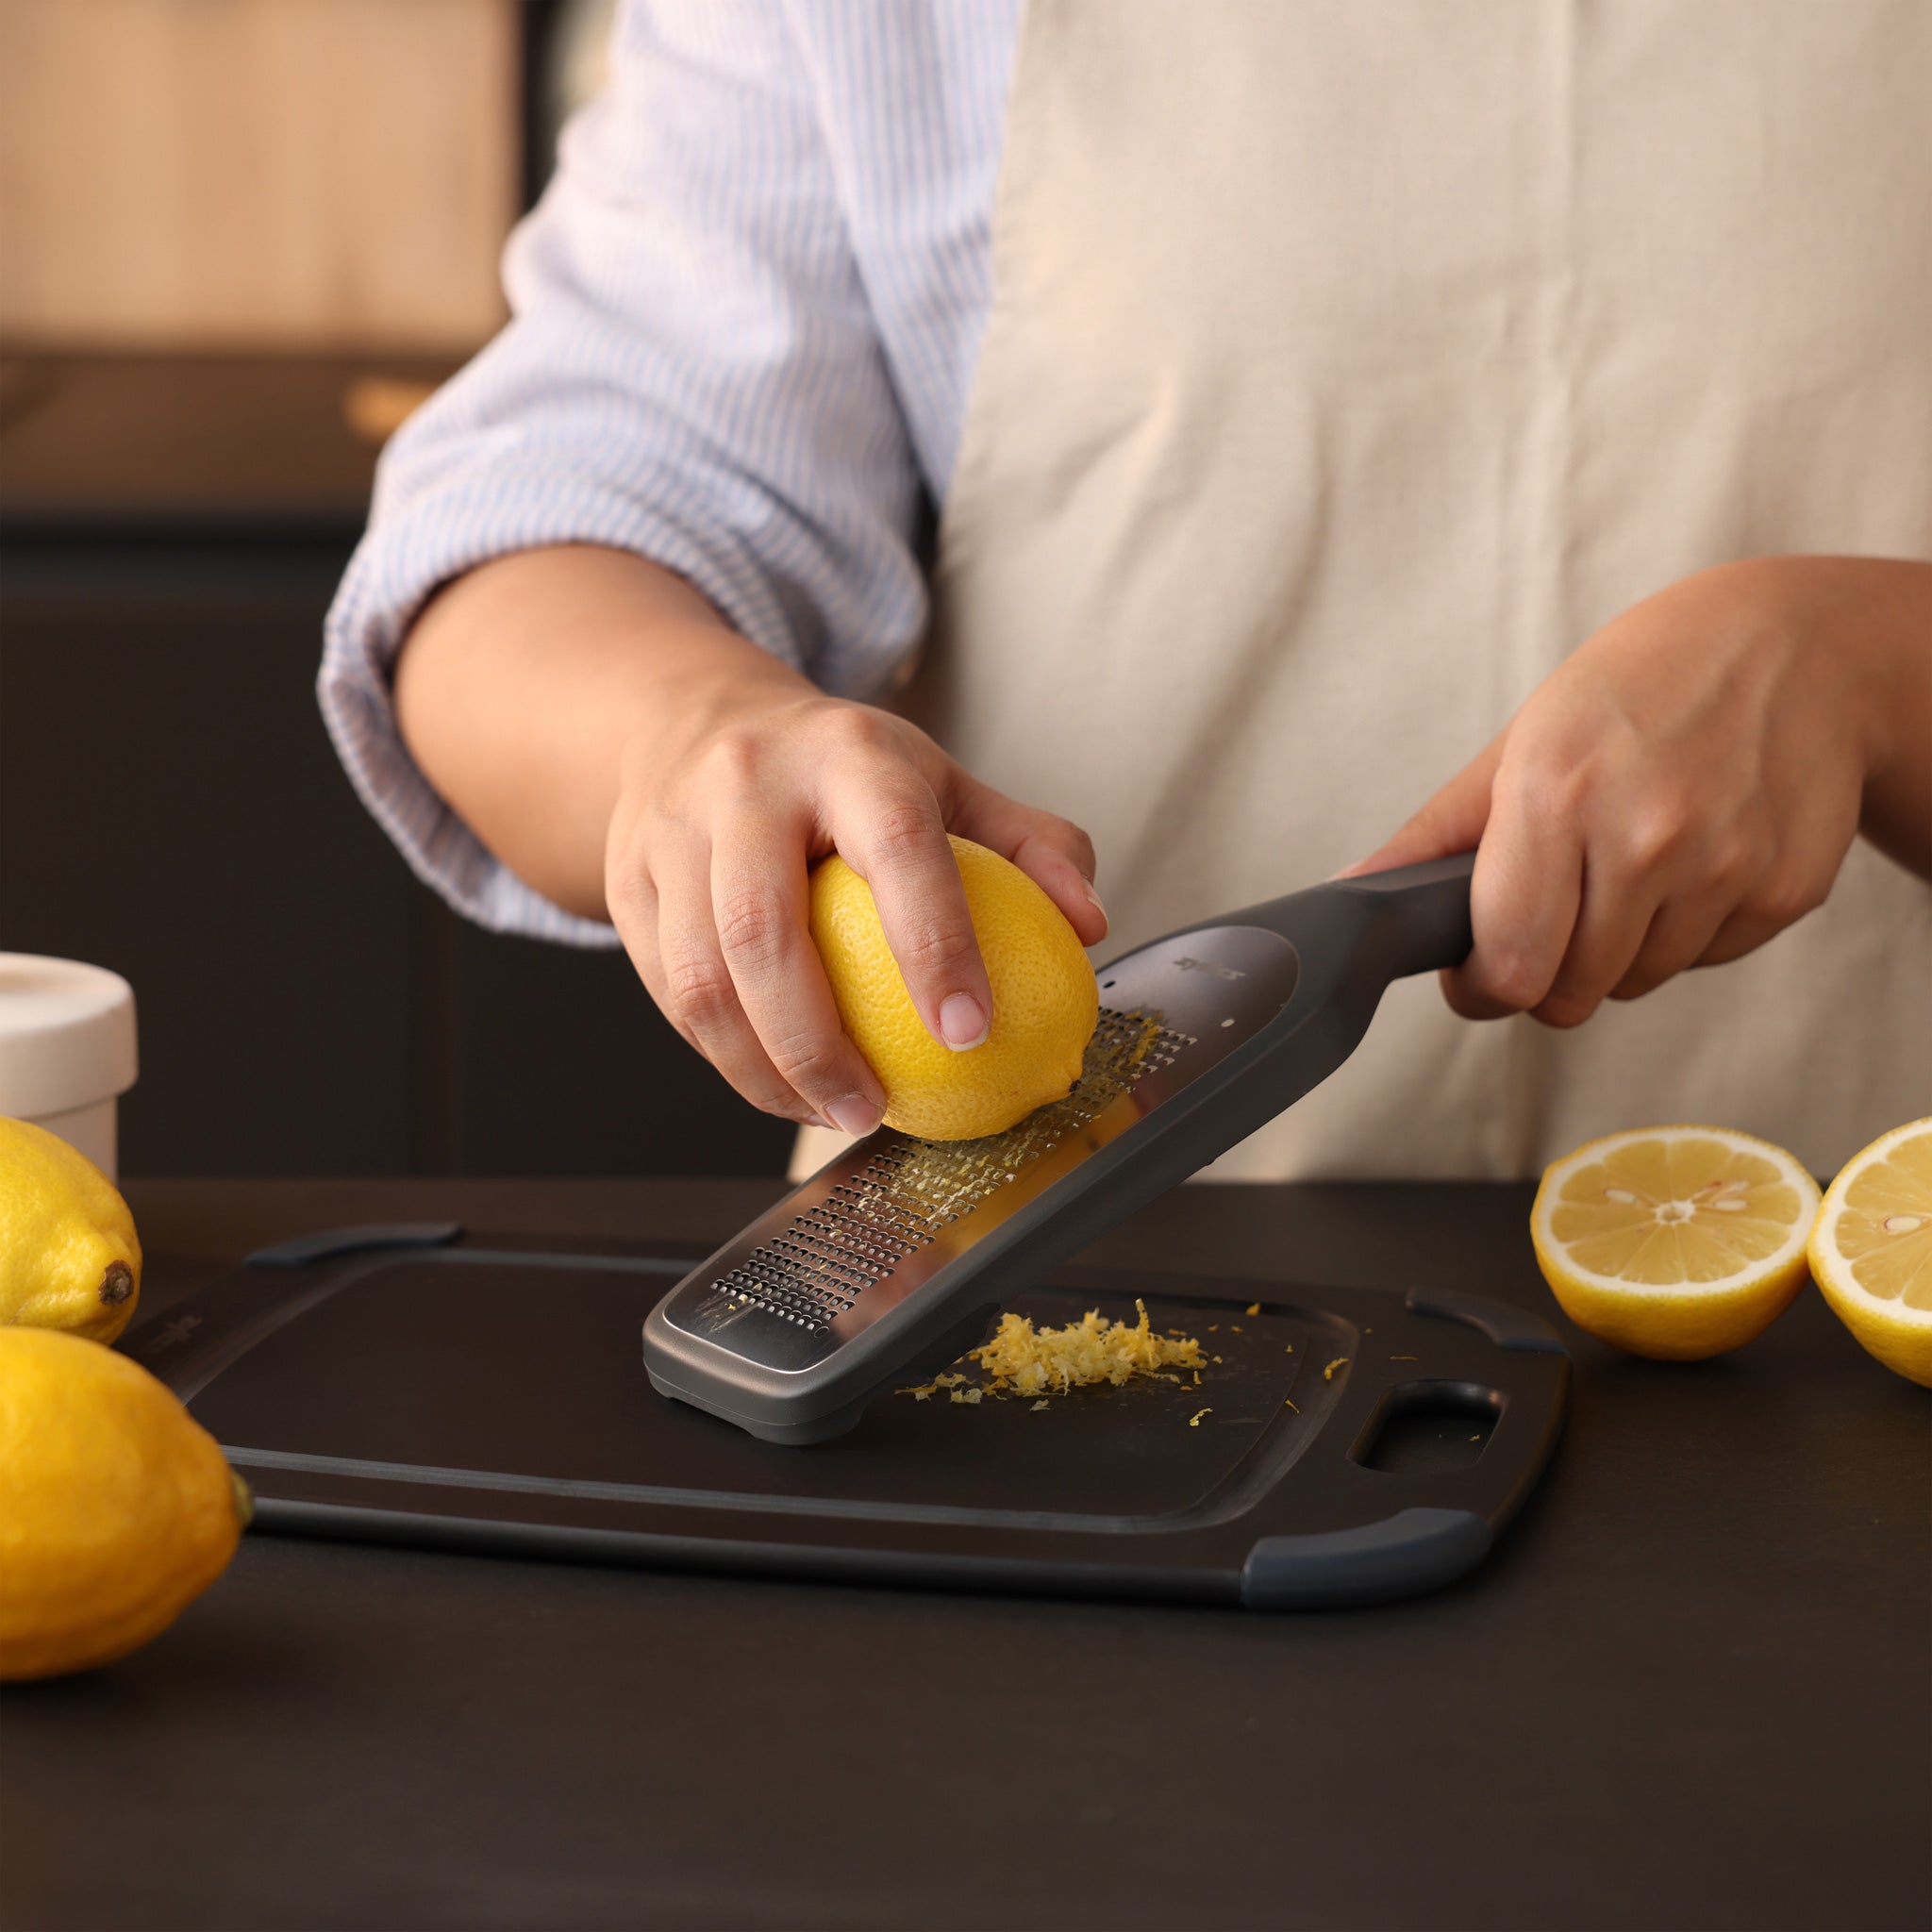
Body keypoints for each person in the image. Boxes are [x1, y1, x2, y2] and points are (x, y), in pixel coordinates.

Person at [321, 0, 1931, 1183]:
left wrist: (1876, 668)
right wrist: (690, 724)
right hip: (1070, 1369)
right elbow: (539, 527)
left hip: (1852, 1339)